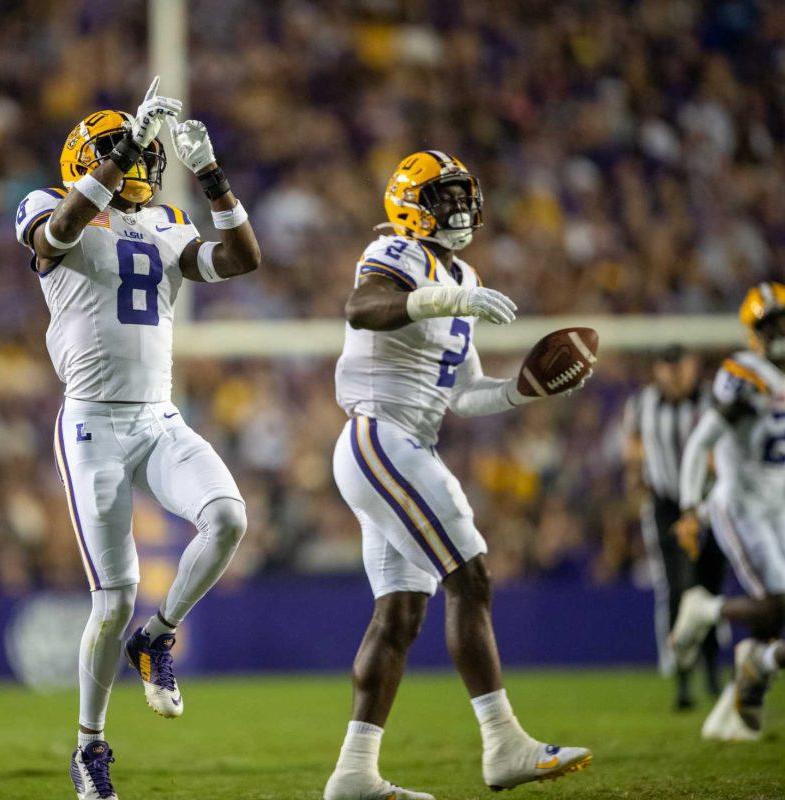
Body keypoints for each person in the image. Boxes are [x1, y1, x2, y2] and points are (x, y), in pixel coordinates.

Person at [14, 77, 260, 800]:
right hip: (91, 422)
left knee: (228, 517)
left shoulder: (166, 221)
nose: (146, 169)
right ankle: (90, 747)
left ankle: (158, 638)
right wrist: (122, 145)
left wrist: (212, 175)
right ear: (88, 158)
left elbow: (241, 259)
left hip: (157, 416)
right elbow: (57, 234)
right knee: (112, 597)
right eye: (131, 157)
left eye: (150, 157)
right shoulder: (44, 205)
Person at [323, 151, 592, 800]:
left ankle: (354, 773)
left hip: (404, 441)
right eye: (445, 197)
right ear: (410, 205)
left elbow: (464, 393)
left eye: (463, 195)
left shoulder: (464, 273)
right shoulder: (396, 252)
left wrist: (522, 392)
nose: (461, 208)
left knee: (401, 614)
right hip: (378, 435)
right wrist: (447, 296)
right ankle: (504, 745)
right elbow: (364, 307)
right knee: (469, 575)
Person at [671, 282, 785, 741]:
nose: (781, 333)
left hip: (778, 505)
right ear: (755, 332)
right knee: (778, 604)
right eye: (773, 325)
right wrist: (690, 507)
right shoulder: (748, 375)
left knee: (775, 615)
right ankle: (707, 610)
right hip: (742, 505)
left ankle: (740, 697)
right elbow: (702, 443)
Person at [622, 345, 725, 709]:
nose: (674, 375)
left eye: (680, 367)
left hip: (710, 502)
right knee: (679, 588)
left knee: (710, 587)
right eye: (667, 368)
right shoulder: (642, 404)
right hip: (665, 505)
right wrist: (636, 476)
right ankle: (682, 680)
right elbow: (632, 445)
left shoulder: (714, 399)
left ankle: (712, 671)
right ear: (658, 370)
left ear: (693, 367)